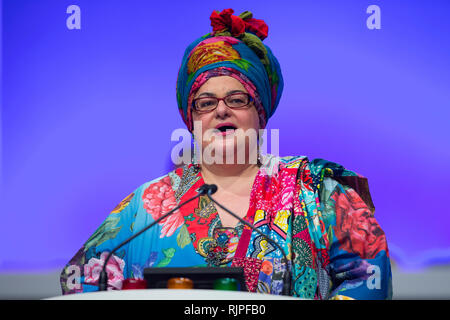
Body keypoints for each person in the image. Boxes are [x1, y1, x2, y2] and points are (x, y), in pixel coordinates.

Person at [60, 8, 392, 300]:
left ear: (260, 113)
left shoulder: (316, 193)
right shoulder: (144, 208)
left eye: (237, 99)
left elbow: (368, 276)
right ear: (192, 121)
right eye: (206, 103)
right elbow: (80, 280)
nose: (221, 111)